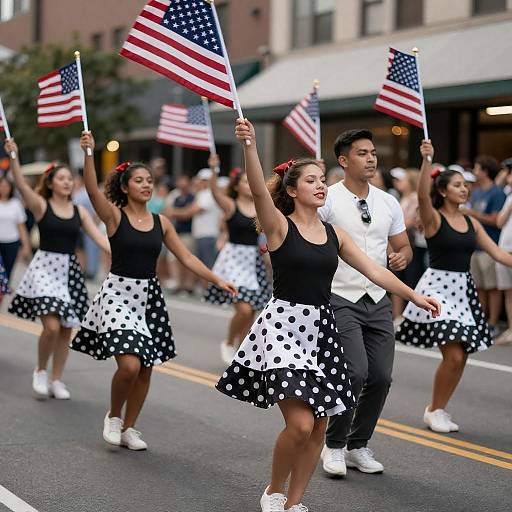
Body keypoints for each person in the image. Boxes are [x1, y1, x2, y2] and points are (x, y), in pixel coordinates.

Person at [217, 119, 439, 512]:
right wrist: (250, 146)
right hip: (284, 327)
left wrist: (413, 295)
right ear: (291, 190)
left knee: (320, 424)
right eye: (311, 181)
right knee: (300, 424)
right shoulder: (278, 226)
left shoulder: (334, 233)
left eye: (323, 179)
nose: (321, 185)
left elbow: (375, 270)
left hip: (322, 329)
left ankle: (295, 503)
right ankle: (273, 490)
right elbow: (256, 188)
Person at [71, 132, 235, 450]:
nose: (147, 185)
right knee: (129, 365)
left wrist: (216, 279)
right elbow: (92, 190)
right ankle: (114, 416)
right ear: (125, 187)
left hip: (149, 298)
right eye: (139, 181)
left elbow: (186, 257)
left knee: (146, 368)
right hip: (118, 294)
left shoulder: (162, 222)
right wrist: (89, 153)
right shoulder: (114, 216)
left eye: (149, 180)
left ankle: (131, 428)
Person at [396, 141, 512, 432]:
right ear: (443, 191)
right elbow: (422, 194)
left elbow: (499, 254)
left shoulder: (472, 223)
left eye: (465, 185)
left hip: (464, 291)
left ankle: (438, 409)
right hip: (437, 290)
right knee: (455, 355)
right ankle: (434, 409)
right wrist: (426, 161)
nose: (464, 189)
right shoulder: (434, 219)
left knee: (463, 356)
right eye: (458, 185)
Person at [318, 129, 413, 476]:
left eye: (373, 152)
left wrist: (401, 257)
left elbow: (403, 245)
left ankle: (359, 444)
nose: (371, 158)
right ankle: (334, 445)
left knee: (382, 376)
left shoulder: (388, 201)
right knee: (354, 372)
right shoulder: (326, 198)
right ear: (343, 161)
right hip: (339, 296)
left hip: (378, 299)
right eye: (362, 153)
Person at [5, 138, 109, 400]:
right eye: (61, 178)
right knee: (51, 327)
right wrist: (14, 156)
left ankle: (56, 379)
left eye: (69, 178)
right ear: (50, 183)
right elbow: (20, 184)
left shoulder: (79, 212)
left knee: (66, 329)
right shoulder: (42, 206)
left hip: (69, 271)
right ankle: (40, 370)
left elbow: (99, 239)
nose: (66, 181)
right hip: (45, 268)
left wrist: (125, 251)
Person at [204, 155, 271, 364]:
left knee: (252, 312)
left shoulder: (261, 206)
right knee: (243, 308)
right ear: (237, 186)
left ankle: (243, 356)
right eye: (244, 182)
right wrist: (214, 171)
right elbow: (215, 192)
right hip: (233, 259)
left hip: (254, 260)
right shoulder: (231, 205)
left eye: (251, 181)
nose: (249, 185)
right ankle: (229, 342)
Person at [463, 156, 506, 335]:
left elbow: (496, 219)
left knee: (493, 287)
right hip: (476, 246)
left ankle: (493, 322)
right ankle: (481, 320)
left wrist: (471, 213)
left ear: (485, 171)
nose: (475, 172)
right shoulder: (478, 192)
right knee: (479, 286)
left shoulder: (497, 193)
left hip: (490, 246)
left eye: (478, 168)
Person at [390, 167, 427, 320]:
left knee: (411, 281)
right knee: (398, 280)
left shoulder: (414, 198)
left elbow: (411, 220)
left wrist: (392, 226)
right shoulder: (401, 198)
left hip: (411, 244)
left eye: (402, 179)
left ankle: (411, 318)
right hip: (399, 244)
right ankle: (397, 316)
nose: (397, 182)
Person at [0, 173, 31, 282]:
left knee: (9, 269)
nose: (3, 189)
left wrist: (26, 246)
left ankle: (4, 291)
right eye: (1, 186)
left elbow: (21, 227)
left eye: (6, 186)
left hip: (12, 242)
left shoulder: (16, 204)